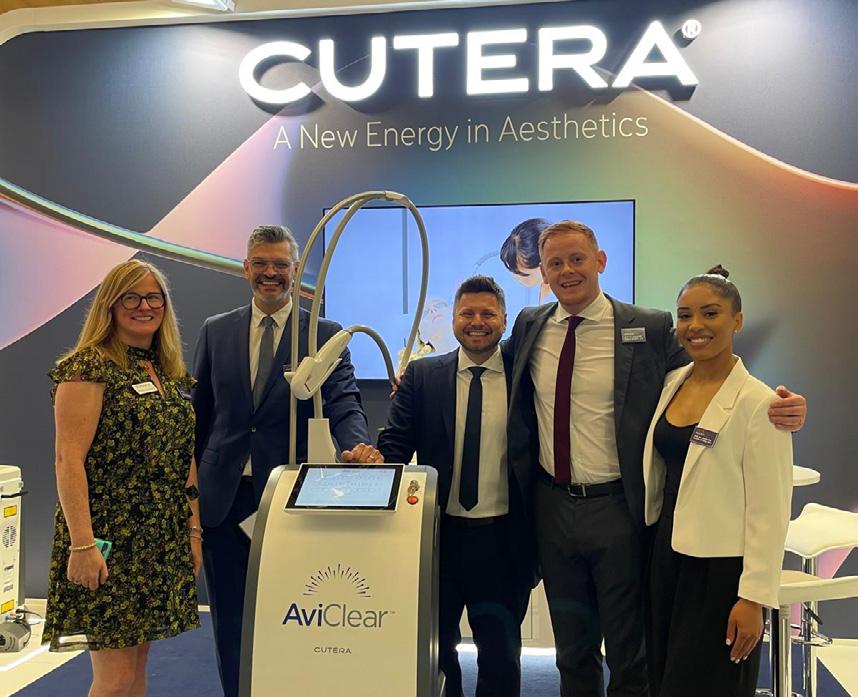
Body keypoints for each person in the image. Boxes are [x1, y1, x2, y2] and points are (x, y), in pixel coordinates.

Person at [505, 220, 806, 697]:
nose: (567, 271)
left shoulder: (646, 327)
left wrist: (782, 406)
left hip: (620, 510)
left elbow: (709, 377)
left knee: (631, 653)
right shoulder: (529, 325)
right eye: (555, 263)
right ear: (543, 272)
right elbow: (489, 366)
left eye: (577, 259)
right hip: (553, 508)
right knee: (572, 651)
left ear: (600, 261)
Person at [192, 224, 378, 697]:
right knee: (230, 619)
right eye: (261, 263)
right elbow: (199, 416)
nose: (270, 273)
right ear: (245, 268)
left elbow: (344, 403)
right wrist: (188, 498)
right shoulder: (216, 331)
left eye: (280, 265)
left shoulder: (325, 335)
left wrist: (357, 447)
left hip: (292, 500)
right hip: (225, 501)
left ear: (295, 271)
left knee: (296, 613)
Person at [44, 259, 201, 697]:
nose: (143, 306)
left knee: (135, 670)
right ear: (110, 305)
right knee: (113, 681)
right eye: (131, 297)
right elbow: (67, 460)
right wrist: (82, 545)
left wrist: (193, 531)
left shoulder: (166, 371)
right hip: (107, 539)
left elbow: (183, 457)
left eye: (153, 297)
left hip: (159, 538)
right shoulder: (88, 367)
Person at [377, 275, 535, 697]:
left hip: (504, 543)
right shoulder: (423, 376)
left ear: (504, 320)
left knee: (500, 656)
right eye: (467, 313)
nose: (477, 322)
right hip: (437, 539)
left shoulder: (527, 378)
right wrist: (366, 458)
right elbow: (394, 448)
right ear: (453, 320)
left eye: (488, 314)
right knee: (436, 652)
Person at [643, 266, 792, 697]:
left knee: (710, 684)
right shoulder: (672, 382)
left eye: (710, 313)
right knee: (664, 678)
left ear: (737, 320)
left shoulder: (759, 403)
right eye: (685, 315)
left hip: (721, 571)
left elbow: (770, 509)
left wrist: (754, 597)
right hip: (666, 554)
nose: (695, 326)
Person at [500, 218, 553, 303]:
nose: (515, 277)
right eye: (513, 271)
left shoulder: (560, 295)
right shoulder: (545, 288)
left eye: (523, 274)